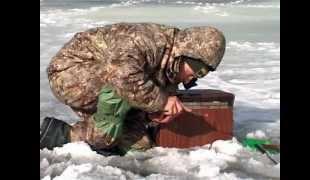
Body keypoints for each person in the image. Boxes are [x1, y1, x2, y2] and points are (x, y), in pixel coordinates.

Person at [40, 22, 226, 155]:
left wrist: (152, 114)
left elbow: (148, 94)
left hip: (115, 86)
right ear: (187, 55)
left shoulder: (172, 66)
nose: (196, 77)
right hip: (70, 73)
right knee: (118, 95)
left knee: (139, 148)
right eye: (199, 70)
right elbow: (123, 77)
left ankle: (58, 134)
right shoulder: (146, 40)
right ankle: (102, 136)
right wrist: (161, 102)